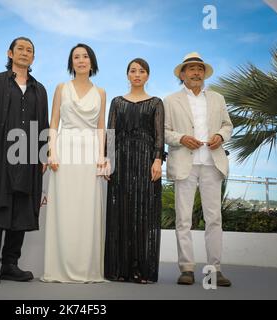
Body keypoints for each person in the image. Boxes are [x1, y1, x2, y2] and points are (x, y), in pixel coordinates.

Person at [0, 37, 49, 285]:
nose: (25, 53)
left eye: (30, 50)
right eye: (20, 49)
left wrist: (43, 153)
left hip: (28, 156)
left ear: (33, 57)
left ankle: (10, 264)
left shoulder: (40, 89)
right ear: (10, 53)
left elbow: (44, 125)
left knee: (21, 209)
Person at [164, 52, 233, 286]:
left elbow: (227, 125)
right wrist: (181, 138)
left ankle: (215, 269)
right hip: (185, 164)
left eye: (199, 69)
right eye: (191, 69)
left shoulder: (218, 98)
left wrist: (219, 136)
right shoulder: (170, 100)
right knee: (183, 219)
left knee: (214, 219)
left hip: (212, 164)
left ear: (204, 74)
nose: (196, 72)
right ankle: (186, 269)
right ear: (182, 74)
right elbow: (163, 131)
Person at [41, 43, 107, 283]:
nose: (81, 60)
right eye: (76, 57)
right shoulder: (61, 88)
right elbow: (54, 122)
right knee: (64, 208)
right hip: (65, 151)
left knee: (87, 209)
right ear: (71, 62)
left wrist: (102, 156)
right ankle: (59, 267)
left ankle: (87, 268)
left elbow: (101, 127)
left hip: (90, 153)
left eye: (85, 56)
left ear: (92, 62)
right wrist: (52, 152)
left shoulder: (100, 92)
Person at [104, 58, 164, 284]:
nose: (137, 74)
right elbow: (110, 133)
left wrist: (157, 160)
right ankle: (119, 268)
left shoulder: (156, 103)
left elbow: (160, 136)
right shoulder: (117, 102)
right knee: (121, 212)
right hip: (121, 161)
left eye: (141, 71)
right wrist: (108, 160)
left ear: (147, 76)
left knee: (143, 214)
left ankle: (140, 268)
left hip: (145, 161)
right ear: (127, 75)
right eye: (133, 71)